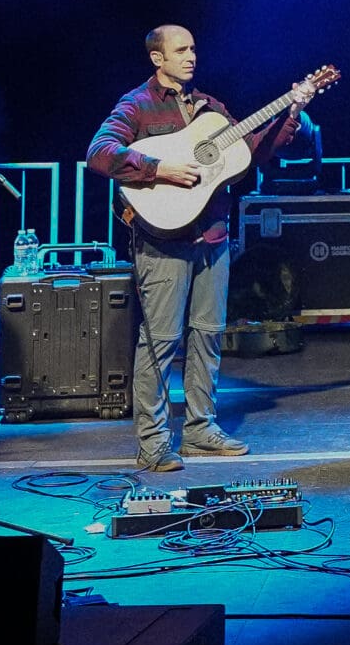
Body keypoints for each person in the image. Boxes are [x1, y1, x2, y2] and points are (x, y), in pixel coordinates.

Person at [86, 24, 304, 472]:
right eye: (180, 50)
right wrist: (158, 167)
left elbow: (249, 155)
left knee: (207, 335)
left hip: (213, 235)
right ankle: (153, 442)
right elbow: (100, 153)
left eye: (193, 49)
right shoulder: (137, 105)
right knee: (161, 340)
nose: (191, 56)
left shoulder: (211, 108)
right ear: (157, 58)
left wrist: (290, 114)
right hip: (163, 240)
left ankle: (201, 430)